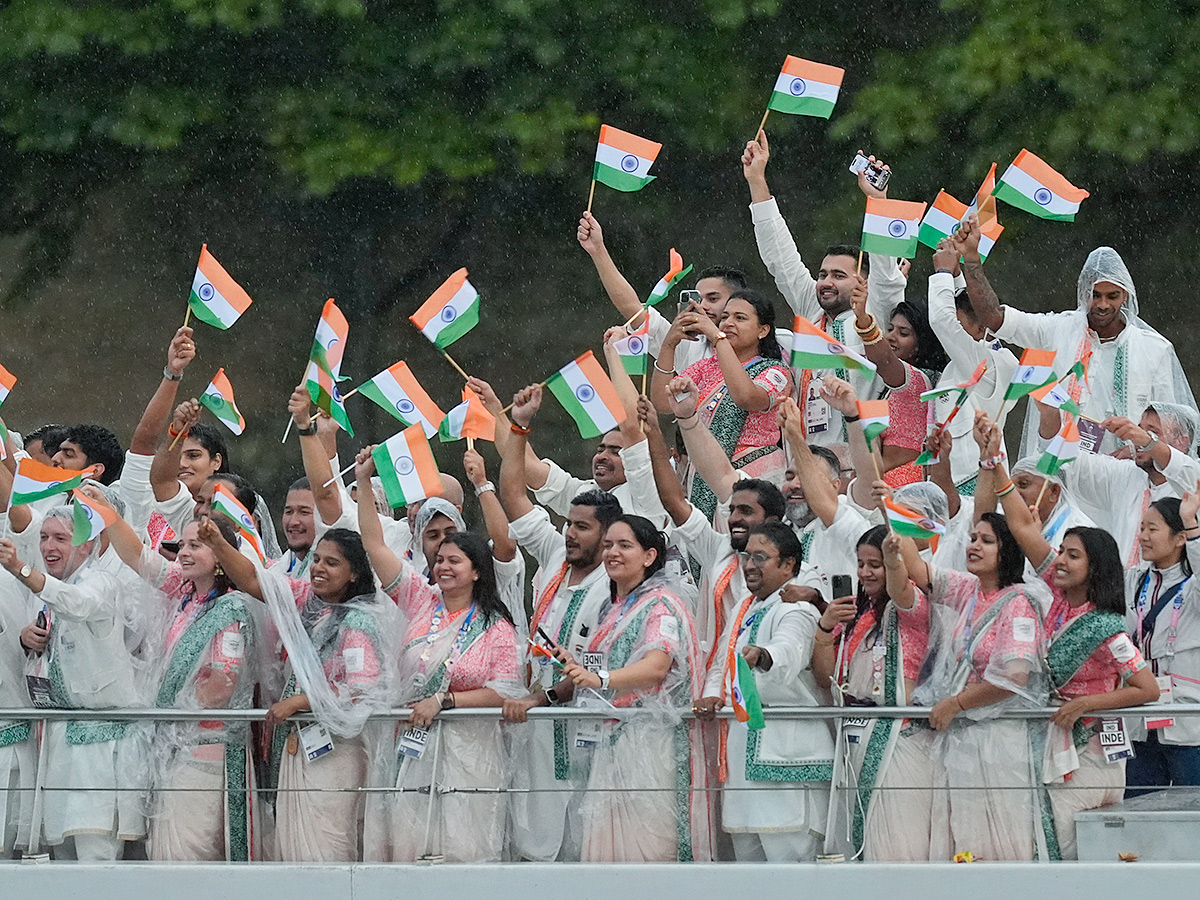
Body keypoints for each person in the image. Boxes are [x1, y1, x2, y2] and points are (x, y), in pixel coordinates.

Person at [970, 418, 1159, 859]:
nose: (1061, 562)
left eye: (1073, 556)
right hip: (1051, 745)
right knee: (1044, 843)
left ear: (1095, 568)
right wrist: (996, 459)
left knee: (1071, 850)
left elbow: (1145, 688)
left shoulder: (1107, 628)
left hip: (1090, 753)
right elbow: (1021, 527)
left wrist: (1084, 704)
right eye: (1063, 553)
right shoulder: (1056, 597)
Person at [355, 449, 521, 863]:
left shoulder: (495, 625)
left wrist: (445, 701)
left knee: (463, 858)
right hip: (411, 750)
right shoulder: (417, 599)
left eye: (455, 561)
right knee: (410, 854)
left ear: (477, 569)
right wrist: (361, 482)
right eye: (440, 559)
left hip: (471, 758)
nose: (443, 567)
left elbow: (505, 691)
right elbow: (372, 543)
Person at [83, 493, 261, 861]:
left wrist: (173, 717)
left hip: (203, 745)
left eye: (196, 545)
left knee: (187, 854)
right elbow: (137, 557)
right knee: (164, 853)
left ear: (222, 554)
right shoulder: (184, 593)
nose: (183, 552)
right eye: (182, 544)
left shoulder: (232, 609)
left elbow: (223, 684)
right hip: (171, 741)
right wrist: (104, 508)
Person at [206, 521, 395, 862]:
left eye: (332, 563)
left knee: (327, 853)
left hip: (337, 752)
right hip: (298, 747)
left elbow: (363, 691)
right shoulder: (306, 600)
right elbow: (251, 580)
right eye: (317, 560)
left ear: (354, 574)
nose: (319, 568)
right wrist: (218, 543)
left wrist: (301, 702)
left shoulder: (359, 623)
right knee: (292, 851)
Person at [498, 384, 623, 861]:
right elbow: (512, 493)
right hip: (535, 721)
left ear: (610, 535)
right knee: (535, 844)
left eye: (582, 527)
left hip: (588, 727)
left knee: (588, 845)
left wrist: (542, 697)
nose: (569, 533)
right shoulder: (554, 554)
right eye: (568, 524)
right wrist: (519, 427)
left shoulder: (621, 584)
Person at [896, 510, 1050, 860]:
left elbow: (1014, 678)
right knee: (961, 835)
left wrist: (956, 704)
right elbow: (919, 572)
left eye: (987, 540)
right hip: (963, 735)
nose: (974, 546)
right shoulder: (969, 589)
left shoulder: (1019, 603)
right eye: (973, 538)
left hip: (1000, 740)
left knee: (998, 839)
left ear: (1007, 549)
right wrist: (892, 509)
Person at [559, 515, 711, 862]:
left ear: (649, 556)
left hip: (651, 746)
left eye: (624, 545)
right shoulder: (610, 605)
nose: (612, 552)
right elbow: (606, 666)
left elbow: (657, 667)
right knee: (606, 854)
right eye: (609, 544)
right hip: (610, 742)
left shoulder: (663, 604)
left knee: (646, 853)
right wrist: (577, 666)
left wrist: (603, 680)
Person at [742, 130, 906, 447]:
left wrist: (878, 200)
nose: (827, 282)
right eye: (823, 274)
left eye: (839, 275)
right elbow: (780, 257)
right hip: (810, 460)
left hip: (866, 460)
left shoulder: (878, 312)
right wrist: (757, 181)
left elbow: (885, 272)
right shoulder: (812, 310)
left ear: (863, 283)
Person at [1, 509, 146, 860]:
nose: (49, 546)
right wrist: (26, 641)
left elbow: (78, 605)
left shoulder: (100, 582)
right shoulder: (48, 590)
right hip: (59, 743)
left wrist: (22, 569)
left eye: (61, 538)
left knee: (96, 861)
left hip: (100, 745)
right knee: (60, 862)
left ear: (87, 545)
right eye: (44, 537)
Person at [963, 242, 1196, 456]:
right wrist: (972, 259)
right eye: (1095, 295)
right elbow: (994, 318)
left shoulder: (1154, 349)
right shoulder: (1056, 330)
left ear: (1125, 295)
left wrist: (1138, 451)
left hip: (1129, 475)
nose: (1103, 305)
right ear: (1083, 292)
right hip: (1062, 471)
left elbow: (1172, 427)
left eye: (1112, 296)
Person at [693, 522, 834, 861]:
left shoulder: (796, 609)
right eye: (746, 556)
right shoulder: (752, 607)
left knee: (793, 873)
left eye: (761, 557)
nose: (749, 565)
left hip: (786, 763)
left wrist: (764, 656)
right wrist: (716, 693)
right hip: (745, 768)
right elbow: (723, 664)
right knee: (750, 878)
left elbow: (789, 652)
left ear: (788, 565)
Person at [813, 526, 938, 861]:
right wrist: (825, 628)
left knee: (896, 845)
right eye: (861, 563)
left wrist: (896, 556)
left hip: (900, 737)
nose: (865, 572)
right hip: (854, 733)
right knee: (858, 844)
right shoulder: (856, 612)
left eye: (875, 564)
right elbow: (827, 678)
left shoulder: (911, 605)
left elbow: (899, 585)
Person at [653, 289, 792, 517]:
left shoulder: (775, 371)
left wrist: (717, 338)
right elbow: (662, 402)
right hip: (706, 474)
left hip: (756, 476)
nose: (727, 323)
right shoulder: (707, 367)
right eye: (725, 317)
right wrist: (669, 344)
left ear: (763, 330)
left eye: (740, 318)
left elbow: (746, 397)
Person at [576, 210, 748, 373]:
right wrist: (597, 250)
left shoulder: (772, 343)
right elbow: (632, 308)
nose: (702, 306)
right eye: (697, 299)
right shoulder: (686, 346)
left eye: (713, 299)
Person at [1036, 400, 1200, 566]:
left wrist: (1147, 441)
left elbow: (1181, 468)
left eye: (1153, 433)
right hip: (1122, 588)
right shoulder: (1125, 473)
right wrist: (1050, 414)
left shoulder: (1193, 480)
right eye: (1139, 429)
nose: (1138, 440)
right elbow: (1065, 460)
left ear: (1182, 441)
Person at [929, 222, 1019, 495]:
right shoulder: (963, 362)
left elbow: (943, 321)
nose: (953, 336)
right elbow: (960, 316)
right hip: (949, 485)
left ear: (982, 329)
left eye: (961, 326)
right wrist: (956, 274)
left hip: (976, 487)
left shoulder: (993, 364)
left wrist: (943, 272)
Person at [1122, 489, 1200, 796]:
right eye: (1142, 528)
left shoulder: (1193, 587)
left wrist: (1191, 523)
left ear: (1180, 539)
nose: (1142, 536)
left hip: (1185, 719)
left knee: (1192, 813)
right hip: (1139, 716)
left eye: (1152, 529)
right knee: (1138, 811)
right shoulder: (1135, 579)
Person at [848, 274, 937, 486]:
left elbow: (883, 359)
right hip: (882, 484)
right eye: (890, 329)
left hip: (904, 488)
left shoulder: (921, 382)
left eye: (903, 333)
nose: (890, 336)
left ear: (922, 342)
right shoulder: (889, 387)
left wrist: (862, 318)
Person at [779, 394, 871, 597]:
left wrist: (795, 438)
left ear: (835, 485)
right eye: (789, 476)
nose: (794, 484)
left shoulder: (849, 520)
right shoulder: (776, 529)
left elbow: (869, 476)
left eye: (806, 476)